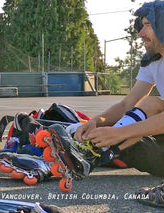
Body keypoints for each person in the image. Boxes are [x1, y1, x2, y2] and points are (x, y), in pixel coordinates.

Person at [41, 1, 164, 208]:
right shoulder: (153, 61)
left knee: (150, 107)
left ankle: (97, 150)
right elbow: (127, 103)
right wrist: (98, 123)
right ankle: (91, 154)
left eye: (147, 25)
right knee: (146, 109)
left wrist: (118, 133)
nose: (140, 33)